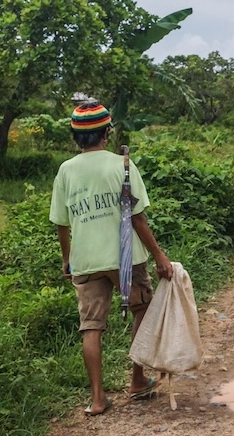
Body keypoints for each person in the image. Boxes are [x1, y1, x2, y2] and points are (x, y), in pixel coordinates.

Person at [49, 101, 174, 416]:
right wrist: (159, 255)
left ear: (76, 137)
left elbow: (61, 223)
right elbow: (138, 219)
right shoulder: (124, 165)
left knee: (91, 326)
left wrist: (67, 260)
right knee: (141, 309)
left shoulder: (66, 170)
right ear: (106, 133)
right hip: (125, 257)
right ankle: (136, 380)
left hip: (86, 260)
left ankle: (97, 399)